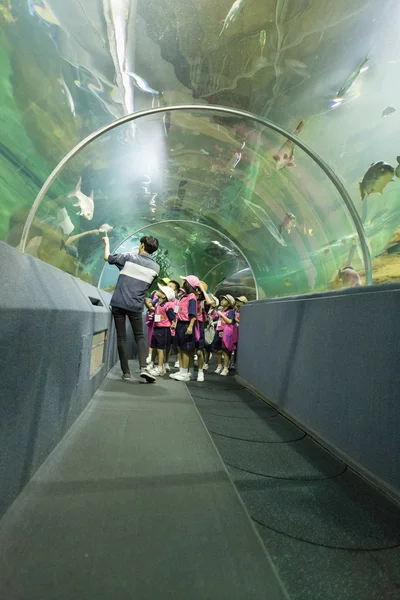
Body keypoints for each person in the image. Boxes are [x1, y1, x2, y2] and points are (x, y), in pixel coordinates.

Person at [102, 233, 160, 383]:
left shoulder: (128, 258)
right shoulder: (156, 267)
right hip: (136, 305)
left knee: (121, 337)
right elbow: (147, 286)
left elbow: (107, 257)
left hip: (119, 303)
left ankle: (126, 372)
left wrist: (107, 242)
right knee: (139, 336)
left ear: (141, 245)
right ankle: (143, 368)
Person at [170, 275, 199, 382]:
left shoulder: (192, 297)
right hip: (179, 324)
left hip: (186, 324)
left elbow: (193, 314)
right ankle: (181, 370)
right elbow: (178, 312)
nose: (182, 282)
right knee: (180, 348)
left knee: (186, 349)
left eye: (184, 281)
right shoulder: (183, 296)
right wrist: (175, 322)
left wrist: (190, 326)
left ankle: (185, 373)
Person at [149, 285, 176, 376]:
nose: (158, 292)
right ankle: (155, 364)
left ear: (164, 296)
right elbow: (151, 306)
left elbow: (172, 316)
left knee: (161, 349)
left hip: (164, 329)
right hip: (156, 328)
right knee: (154, 347)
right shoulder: (158, 304)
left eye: (160, 291)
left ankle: (160, 368)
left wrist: (173, 324)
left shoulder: (167, 305)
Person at [213, 295, 235, 376]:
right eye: (222, 299)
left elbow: (229, 321)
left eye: (225, 300)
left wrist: (222, 315)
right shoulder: (221, 310)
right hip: (219, 330)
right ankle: (219, 365)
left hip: (226, 332)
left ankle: (225, 368)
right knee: (218, 350)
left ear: (229, 303)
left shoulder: (231, 312)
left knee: (225, 350)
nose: (222, 301)